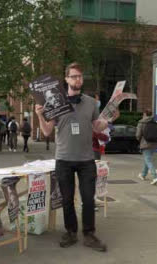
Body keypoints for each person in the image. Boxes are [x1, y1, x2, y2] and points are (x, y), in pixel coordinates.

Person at [35, 62, 113, 252]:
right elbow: (46, 132)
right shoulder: (56, 102)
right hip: (63, 159)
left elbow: (96, 127)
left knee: (88, 199)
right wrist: (39, 115)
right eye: (74, 76)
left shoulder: (91, 103)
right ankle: (70, 232)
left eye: (80, 76)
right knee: (67, 199)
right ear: (66, 79)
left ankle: (89, 234)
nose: (78, 79)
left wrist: (110, 118)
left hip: (87, 159)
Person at [136, 109, 157, 185]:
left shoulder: (142, 122)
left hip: (145, 143)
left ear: (145, 114)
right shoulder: (155, 122)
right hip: (154, 144)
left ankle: (155, 177)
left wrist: (139, 140)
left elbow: (138, 134)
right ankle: (143, 174)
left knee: (148, 160)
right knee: (147, 159)